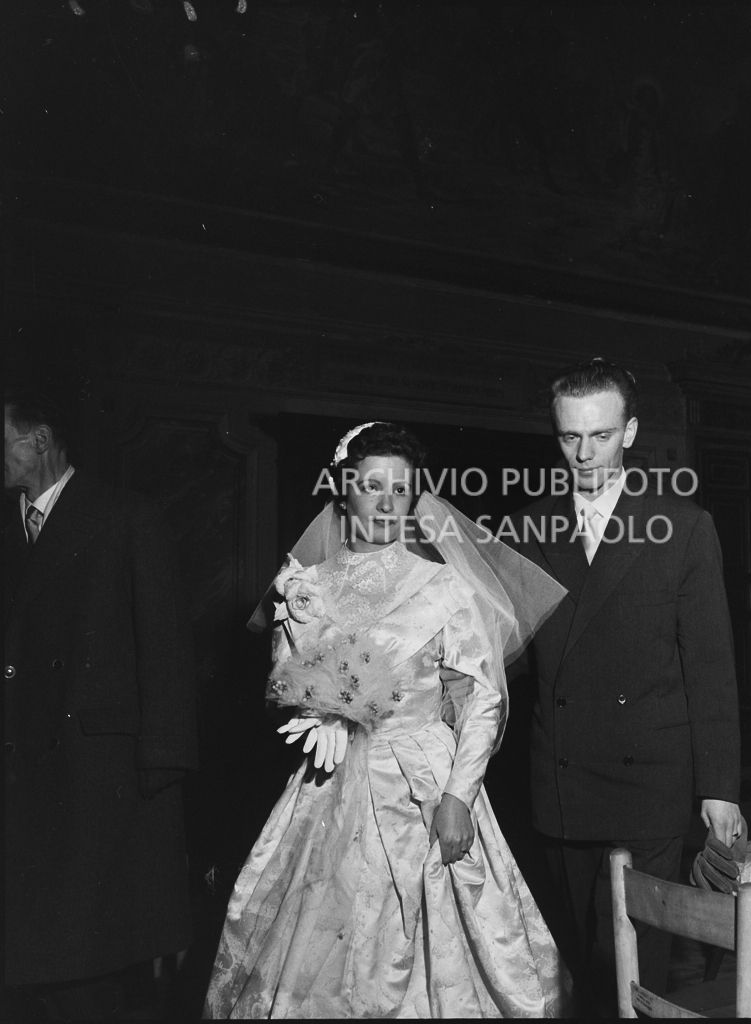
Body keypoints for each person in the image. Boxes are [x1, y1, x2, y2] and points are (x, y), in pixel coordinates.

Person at [203, 421, 569, 1018]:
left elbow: (482, 699)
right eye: (371, 485)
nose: (385, 502)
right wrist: (319, 706)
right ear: (344, 487)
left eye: (399, 490)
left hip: (424, 786)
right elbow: (283, 688)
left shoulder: (443, 585)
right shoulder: (306, 586)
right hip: (330, 779)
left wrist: (459, 794)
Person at [509, 358, 743, 1016]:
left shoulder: (683, 526)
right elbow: (511, 655)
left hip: (649, 783)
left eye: (600, 436)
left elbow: (710, 664)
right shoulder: (526, 528)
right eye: (569, 438)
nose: (584, 454)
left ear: (630, 432)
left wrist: (719, 786)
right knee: (576, 968)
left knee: (639, 967)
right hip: (559, 776)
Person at [2, 388, 198, 1019]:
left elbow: (166, 653)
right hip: (18, 768)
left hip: (97, 777)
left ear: (39, 440)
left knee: (91, 970)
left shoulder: (126, 517)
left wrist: (160, 778)